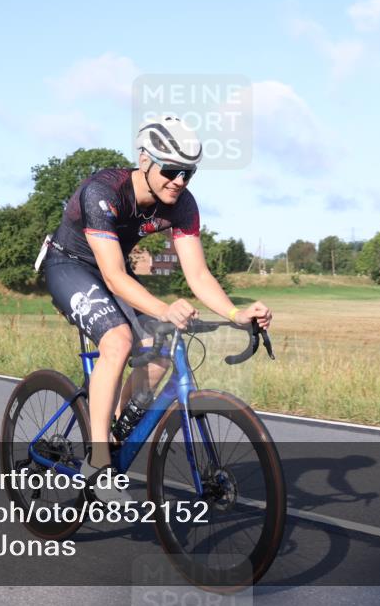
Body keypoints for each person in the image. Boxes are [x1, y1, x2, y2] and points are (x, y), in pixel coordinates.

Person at [40, 116, 273, 502]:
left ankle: (113, 426)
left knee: (161, 347)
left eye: (188, 173)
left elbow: (197, 274)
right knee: (117, 340)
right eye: (171, 170)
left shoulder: (182, 205)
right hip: (70, 266)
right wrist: (165, 308)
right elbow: (113, 278)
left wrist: (236, 313)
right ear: (145, 160)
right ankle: (97, 464)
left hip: (114, 271)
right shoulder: (104, 191)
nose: (179, 181)